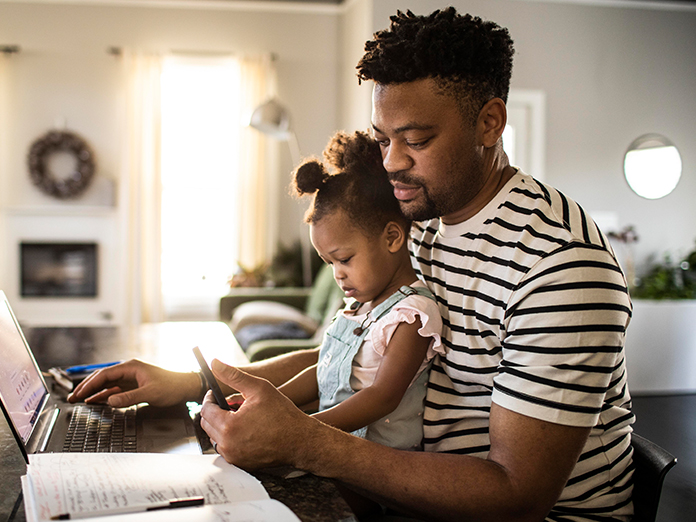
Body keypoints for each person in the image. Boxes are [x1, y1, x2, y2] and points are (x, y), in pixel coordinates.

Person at [70, 7, 635, 521]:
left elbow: (517, 496)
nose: (392, 162)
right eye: (383, 137)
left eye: (416, 139)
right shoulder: (423, 222)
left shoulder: (560, 266)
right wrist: (196, 383)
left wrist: (302, 442)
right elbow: (362, 352)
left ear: (490, 123)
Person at [256, 130, 442, 450]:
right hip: (331, 446)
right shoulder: (360, 306)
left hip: (375, 463)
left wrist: (298, 429)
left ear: (392, 238)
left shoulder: (412, 315)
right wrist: (267, 403)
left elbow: (382, 397)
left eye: (344, 259)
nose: (337, 275)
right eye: (328, 263)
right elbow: (325, 370)